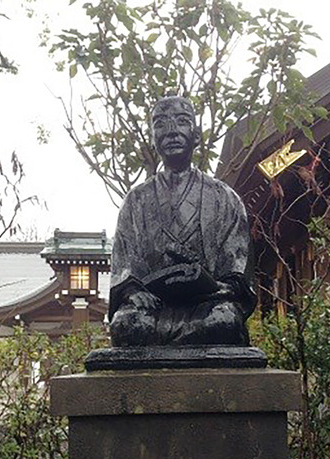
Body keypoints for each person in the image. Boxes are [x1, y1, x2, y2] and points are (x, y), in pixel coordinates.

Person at [109, 96, 256, 346]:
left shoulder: (224, 198)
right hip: (153, 310)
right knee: (126, 324)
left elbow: (237, 266)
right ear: (153, 138)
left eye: (182, 122)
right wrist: (133, 292)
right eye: (161, 124)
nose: (172, 132)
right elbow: (124, 265)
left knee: (225, 321)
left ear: (196, 135)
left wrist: (221, 287)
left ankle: (173, 344)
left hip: (206, 306)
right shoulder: (136, 200)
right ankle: (184, 342)